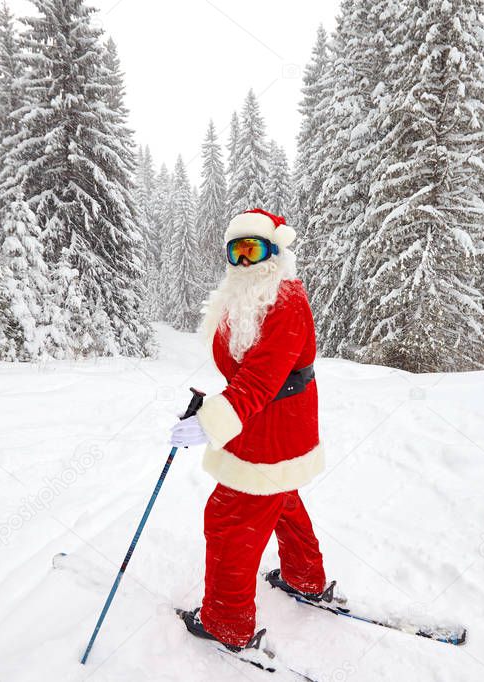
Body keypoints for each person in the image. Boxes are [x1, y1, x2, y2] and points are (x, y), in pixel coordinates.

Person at [170, 208, 343, 652]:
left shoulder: (285, 300)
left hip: (272, 432)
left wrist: (212, 422)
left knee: (228, 519)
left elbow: (262, 378)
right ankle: (304, 578)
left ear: (275, 251)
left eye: (255, 249)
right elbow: (245, 372)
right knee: (280, 499)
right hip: (265, 423)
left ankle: (227, 623)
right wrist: (216, 407)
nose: (245, 261)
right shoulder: (246, 298)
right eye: (237, 251)